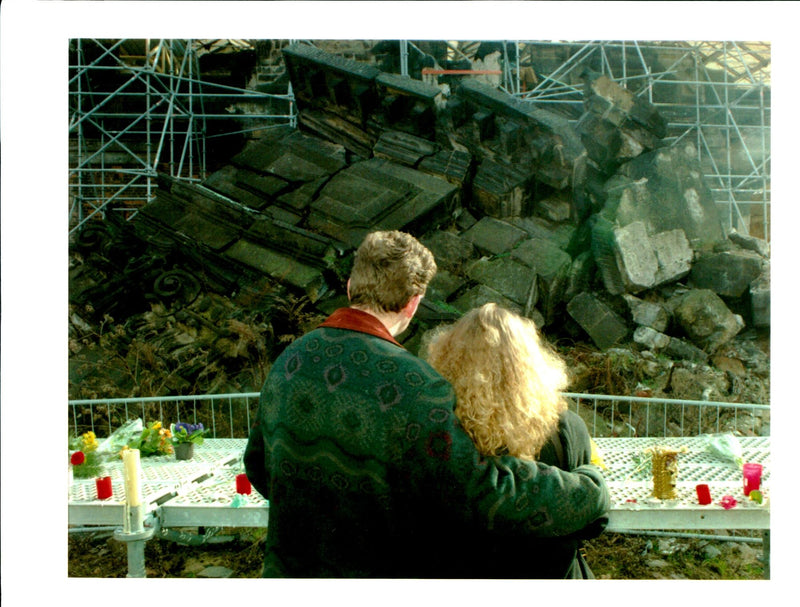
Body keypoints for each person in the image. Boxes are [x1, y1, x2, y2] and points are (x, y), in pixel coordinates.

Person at [244, 230, 609, 578]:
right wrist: (587, 490)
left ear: (351, 286)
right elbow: (482, 489)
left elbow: (258, 465)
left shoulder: (290, 360)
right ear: (413, 302)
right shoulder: (416, 386)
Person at [425, 302, 607, 578]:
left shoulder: (437, 430)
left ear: (447, 358)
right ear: (532, 362)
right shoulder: (568, 430)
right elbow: (587, 521)